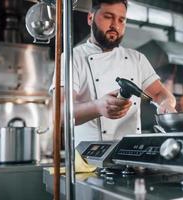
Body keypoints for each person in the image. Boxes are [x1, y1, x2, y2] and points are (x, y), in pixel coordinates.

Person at [51, 0, 176, 145]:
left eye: (121, 20)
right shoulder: (72, 58)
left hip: (130, 156)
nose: (115, 25)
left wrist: (167, 103)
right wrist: (97, 107)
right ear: (90, 18)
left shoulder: (136, 59)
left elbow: (161, 94)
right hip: (89, 160)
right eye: (108, 17)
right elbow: (59, 114)